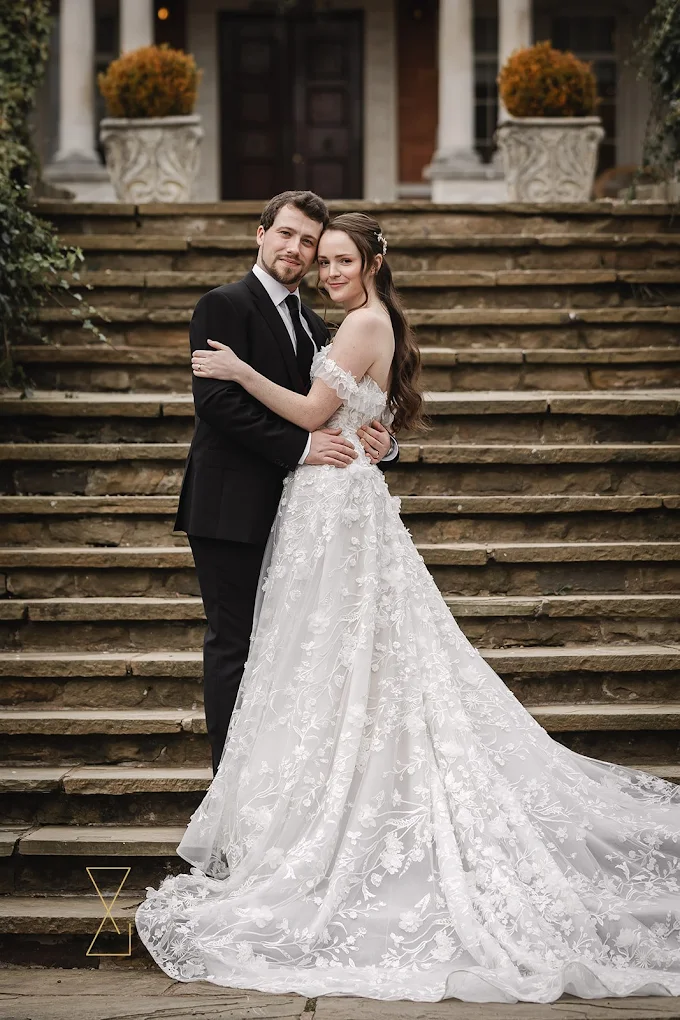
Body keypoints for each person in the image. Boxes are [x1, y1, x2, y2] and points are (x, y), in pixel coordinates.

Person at [136, 213, 680, 1003]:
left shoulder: (347, 318)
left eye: (333, 255)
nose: (318, 265)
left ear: (370, 261)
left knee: (329, 658)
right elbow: (237, 410)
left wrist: (336, 422)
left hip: (327, 504)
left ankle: (289, 817)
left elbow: (321, 405)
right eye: (306, 250)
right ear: (263, 236)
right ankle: (252, 808)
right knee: (256, 652)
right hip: (247, 503)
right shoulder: (233, 306)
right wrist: (358, 434)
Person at [175, 191, 398, 775]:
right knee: (236, 645)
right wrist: (301, 447)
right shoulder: (222, 306)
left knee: (288, 650)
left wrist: (381, 442)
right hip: (230, 505)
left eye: (310, 244)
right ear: (261, 233)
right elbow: (218, 404)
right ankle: (230, 788)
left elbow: (343, 402)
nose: (297, 251)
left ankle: (278, 781)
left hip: (303, 513)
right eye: (288, 235)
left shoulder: (317, 320)